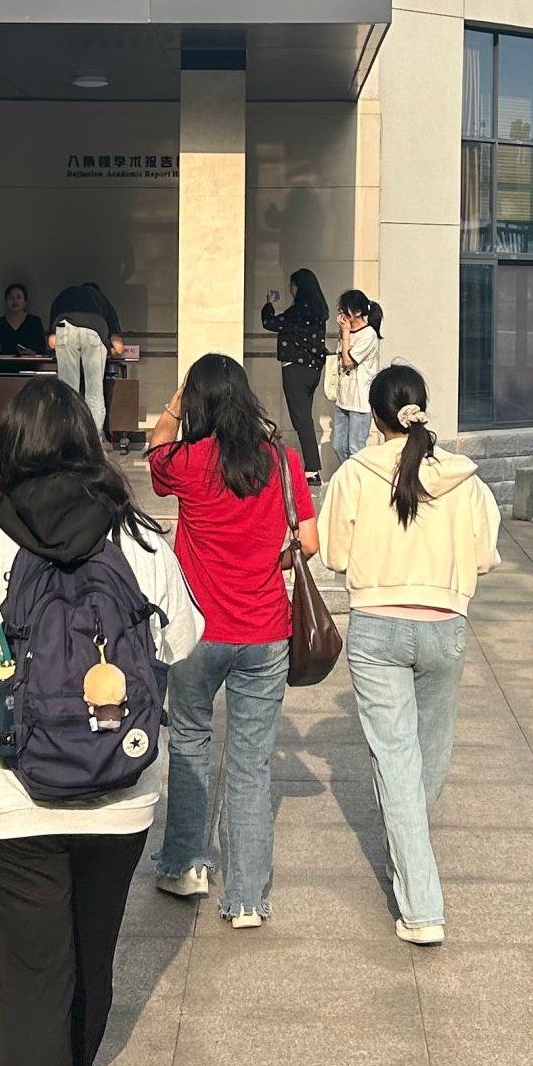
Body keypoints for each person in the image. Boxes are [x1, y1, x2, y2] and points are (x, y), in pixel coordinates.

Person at [0, 378, 203, 1066]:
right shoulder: (138, 539)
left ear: (4, 451)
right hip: (119, 792)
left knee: (32, 983)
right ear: (90, 445)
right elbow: (181, 638)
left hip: (9, 797)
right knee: (90, 966)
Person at [318, 364, 499, 946]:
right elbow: (484, 555)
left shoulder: (355, 473)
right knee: (430, 758)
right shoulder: (464, 479)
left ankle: (420, 903)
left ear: (374, 417)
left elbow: (335, 556)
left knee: (396, 761)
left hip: (377, 624)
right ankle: (412, 864)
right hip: (445, 622)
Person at [146, 354, 317, 928]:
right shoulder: (282, 460)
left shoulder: (189, 462)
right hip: (266, 631)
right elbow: (309, 543)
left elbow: (155, 450)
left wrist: (175, 404)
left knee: (191, 743)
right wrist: (270, 560)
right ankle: (245, 897)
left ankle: (184, 866)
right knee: (250, 765)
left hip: (198, 632)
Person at [261, 268, 328, 486]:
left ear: (298, 287)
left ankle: (312, 470)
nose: (290, 290)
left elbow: (271, 323)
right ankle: (311, 468)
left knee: (301, 420)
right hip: (313, 370)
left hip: (295, 370)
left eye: (292, 285)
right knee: (305, 418)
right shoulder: (318, 312)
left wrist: (269, 304)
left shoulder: (299, 311)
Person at [48, 280, 126, 439]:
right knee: (94, 393)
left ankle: (67, 440)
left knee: (67, 391)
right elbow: (118, 348)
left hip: (65, 328)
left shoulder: (63, 297)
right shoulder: (102, 300)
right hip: (94, 331)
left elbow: (52, 342)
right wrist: (107, 348)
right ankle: (93, 441)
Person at [332, 288, 382, 464]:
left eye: (345, 310)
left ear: (358, 312)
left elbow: (348, 362)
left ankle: (357, 478)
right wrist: (344, 333)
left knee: (355, 448)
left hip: (360, 401)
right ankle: (348, 476)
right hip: (343, 398)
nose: (342, 314)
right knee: (338, 446)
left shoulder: (369, 334)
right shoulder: (346, 331)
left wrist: (345, 333)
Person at [0, 281, 50, 357]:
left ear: (25, 302)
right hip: (5, 363)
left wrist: (32, 352)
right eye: (11, 298)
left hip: (29, 363)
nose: (15, 301)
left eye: (19, 297)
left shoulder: (34, 321)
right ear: (6, 301)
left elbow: (42, 349)